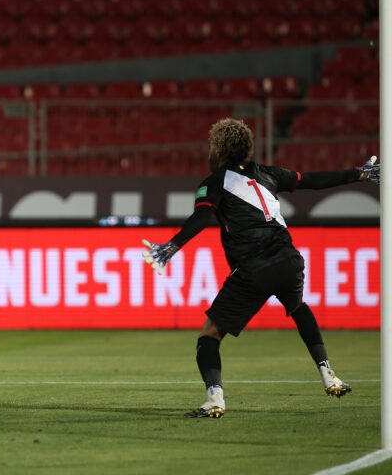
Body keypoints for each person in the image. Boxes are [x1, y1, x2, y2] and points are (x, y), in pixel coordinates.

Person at [140, 118, 380, 418]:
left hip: (254, 266)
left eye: (212, 147)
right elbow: (314, 180)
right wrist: (358, 174)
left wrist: (170, 247)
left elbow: (202, 218)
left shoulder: (214, 182)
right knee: (298, 307)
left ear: (220, 150)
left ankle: (215, 399)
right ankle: (328, 373)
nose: (210, 152)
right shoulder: (269, 173)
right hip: (289, 259)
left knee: (209, 335)